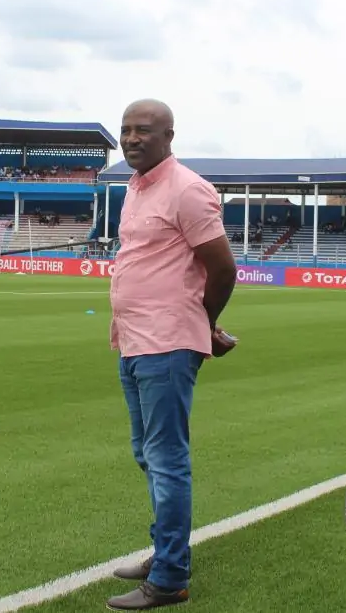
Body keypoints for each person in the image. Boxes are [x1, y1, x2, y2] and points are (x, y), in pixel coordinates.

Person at [106, 99, 238, 611]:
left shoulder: (186, 189)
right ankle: (166, 552)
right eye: (125, 130)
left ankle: (169, 578)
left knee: (165, 460)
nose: (132, 138)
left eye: (144, 130)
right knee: (148, 454)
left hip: (166, 344)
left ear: (169, 136)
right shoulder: (135, 188)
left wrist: (203, 324)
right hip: (133, 339)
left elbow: (222, 269)